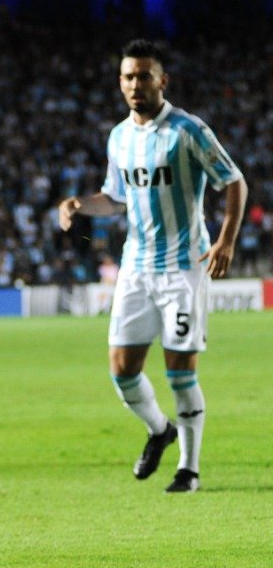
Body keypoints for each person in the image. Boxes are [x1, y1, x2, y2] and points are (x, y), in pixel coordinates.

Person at [58, 39, 246, 494]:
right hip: (136, 267)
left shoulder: (188, 130)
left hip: (184, 266)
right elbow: (116, 197)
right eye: (128, 76)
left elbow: (234, 181)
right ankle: (160, 429)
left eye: (144, 75)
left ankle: (190, 468)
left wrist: (225, 240)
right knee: (122, 369)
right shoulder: (119, 136)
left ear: (163, 80)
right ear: (120, 82)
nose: (135, 84)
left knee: (180, 371)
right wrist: (81, 204)